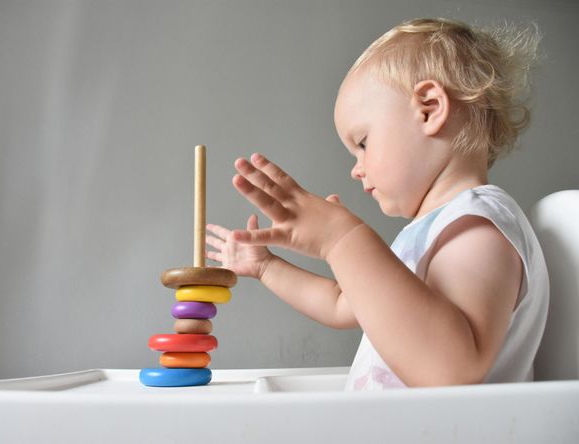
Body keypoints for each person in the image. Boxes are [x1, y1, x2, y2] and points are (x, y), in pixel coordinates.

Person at [206, 18, 549, 390]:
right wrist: (267, 267)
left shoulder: (480, 225)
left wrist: (341, 240)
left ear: (430, 109)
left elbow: (452, 368)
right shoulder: (428, 233)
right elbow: (340, 302)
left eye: (363, 143)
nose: (356, 170)